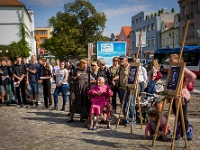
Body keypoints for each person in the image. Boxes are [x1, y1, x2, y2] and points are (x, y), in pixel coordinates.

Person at [169, 54, 196, 139]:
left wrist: (183, 85)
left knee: (182, 116)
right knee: (177, 116)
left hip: (182, 95)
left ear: (178, 61)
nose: (170, 62)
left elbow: (193, 76)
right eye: (170, 60)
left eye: (172, 60)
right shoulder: (173, 69)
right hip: (174, 94)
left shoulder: (182, 68)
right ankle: (178, 133)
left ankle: (184, 134)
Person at [118, 54, 136, 125]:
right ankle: (126, 119)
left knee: (130, 105)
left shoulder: (131, 67)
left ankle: (132, 120)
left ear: (126, 60)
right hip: (122, 89)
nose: (121, 60)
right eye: (120, 59)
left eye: (122, 59)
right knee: (123, 105)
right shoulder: (121, 68)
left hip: (129, 89)